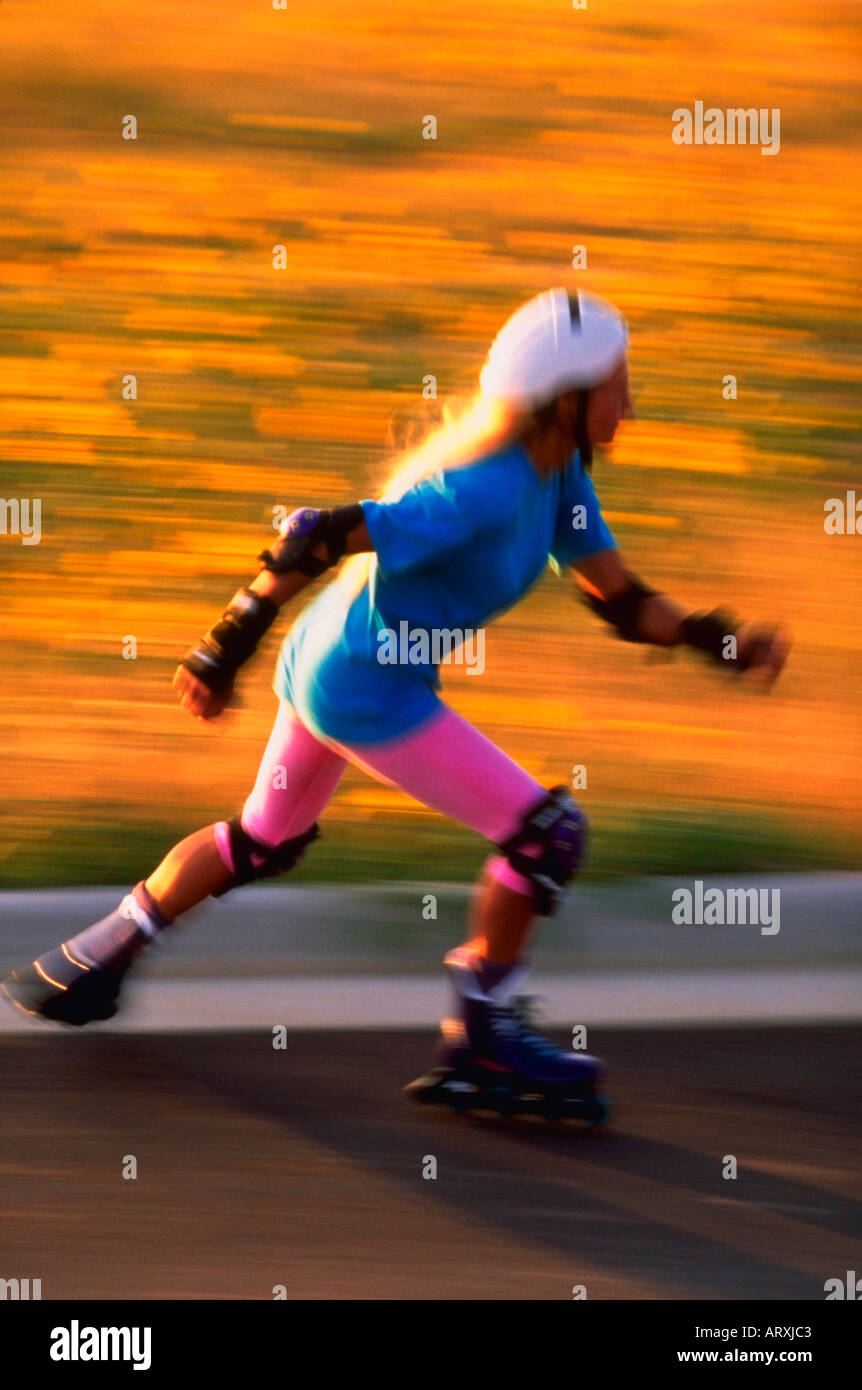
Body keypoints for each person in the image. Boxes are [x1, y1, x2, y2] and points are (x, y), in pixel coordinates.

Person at [2, 288, 788, 1121]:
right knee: (548, 837)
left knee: (263, 842)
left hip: (334, 664)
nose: (631, 403)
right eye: (616, 385)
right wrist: (225, 643)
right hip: (362, 685)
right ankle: (481, 1033)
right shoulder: (486, 488)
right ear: (564, 399)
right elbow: (319, 534)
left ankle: (98, 953)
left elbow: (625, 603)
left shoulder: (558, 482)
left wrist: (724, 644)